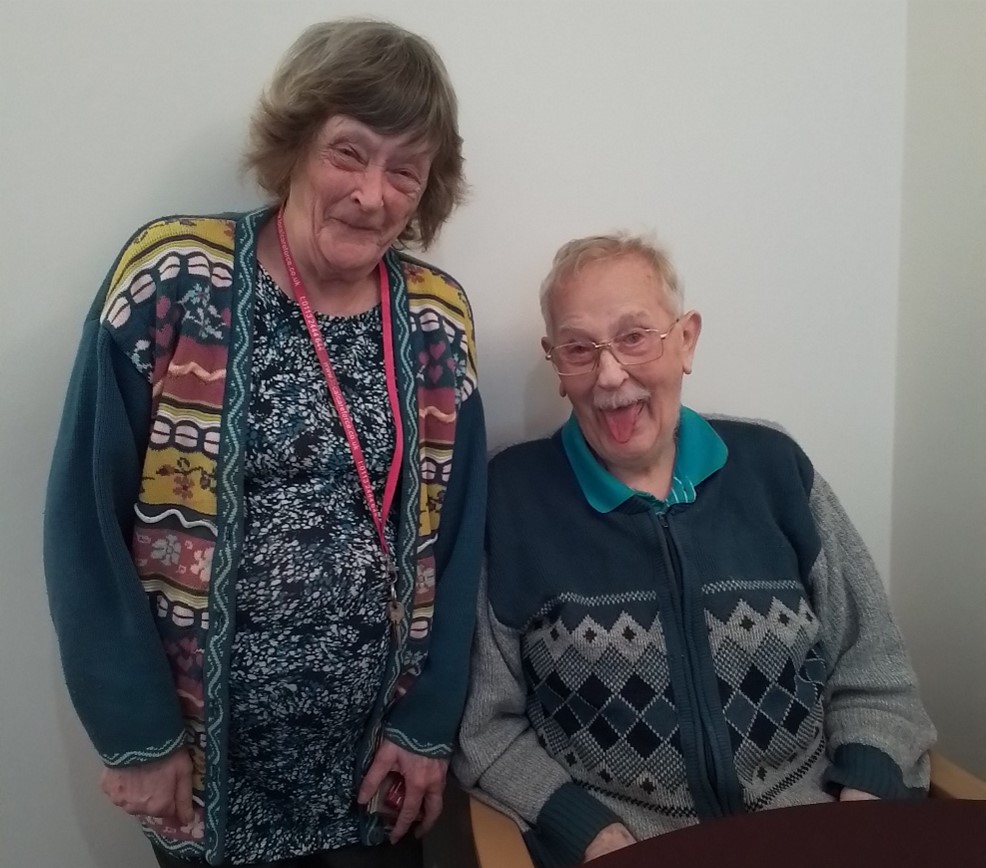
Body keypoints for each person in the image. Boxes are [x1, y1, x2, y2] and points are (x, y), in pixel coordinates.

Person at [43, 19, 486, 868]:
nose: (374, 193)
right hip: (202, 770)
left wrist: (430, 724)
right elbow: (80, 519)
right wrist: (133, 730)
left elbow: (461, 538)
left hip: (375, 773)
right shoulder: (175, 276)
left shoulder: (437, 319)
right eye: (349, 153)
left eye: (406, 170)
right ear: (295, 144)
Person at [453, 233, 934, 868]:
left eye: (634, 336)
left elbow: (874, 675)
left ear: (686, 340)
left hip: (817, 832)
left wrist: (857, 818)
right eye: (579, 348)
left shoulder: (774, 471)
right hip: (633, 850)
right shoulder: (512, 500)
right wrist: (590, 832)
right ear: (556, 365)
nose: (610, 374)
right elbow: (486, 729)